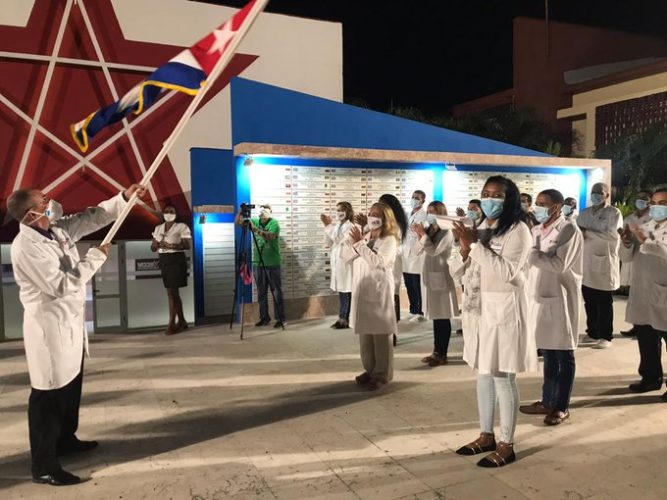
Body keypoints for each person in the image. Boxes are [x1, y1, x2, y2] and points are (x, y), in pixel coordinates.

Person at [7, 183, 146, 486]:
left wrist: (124, 198)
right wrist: (95, 257)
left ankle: (65, 440)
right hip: (49, 330)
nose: (50, 202)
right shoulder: (25, 247)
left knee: (70, 387)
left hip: (69, 325)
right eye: (43, 201)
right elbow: (60, 285)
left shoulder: (56, 230)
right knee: (48, 396)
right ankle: (44, 465)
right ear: (30, 215)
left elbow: (92, 217)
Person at [451, 175, 535, 468]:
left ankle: (506, 444)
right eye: (486, 193)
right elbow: (458, 270)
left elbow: (508, 272)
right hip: (479, 311)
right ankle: (485, 435)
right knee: (483, 373)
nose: (489, 200)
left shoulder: (519, 231)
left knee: (502, 376)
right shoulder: (481, 226)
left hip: (503, 312)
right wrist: (464, 249)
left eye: (497, 195)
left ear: (510, 199)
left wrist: (474, 246)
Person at [520, 189, 583, 425]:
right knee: (548, 351)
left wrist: (531, 254)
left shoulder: (569, 229)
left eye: (542, 203)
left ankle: (561, 406)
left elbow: (559, 264)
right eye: (536, 203)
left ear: (556, 206)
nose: (537, 207)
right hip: (540, 296)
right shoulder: (537, 229)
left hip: (561, 297)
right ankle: (547, 400)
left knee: (564, 352)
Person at [619, 188, 667, 400]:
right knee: (646, 338)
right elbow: (626, 258)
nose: (657, 207)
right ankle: (650, 378)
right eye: (655, 203)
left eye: (663, 203)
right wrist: (627, 242)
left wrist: (644, 240)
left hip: (663, 291)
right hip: (643, 291)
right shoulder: (646, 226)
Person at [347, 202, 400, 391]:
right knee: (365, 333)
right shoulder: (366, 235)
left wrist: (360, 244)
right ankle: (369, 369)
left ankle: (382, 374)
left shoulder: (389, 240)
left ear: (386, 218)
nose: (372, 217)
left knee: (380, 334)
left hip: (379, 292)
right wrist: (357, 242)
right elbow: (346, 256)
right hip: (363, 290)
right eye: (371, 213)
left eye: (377, 214)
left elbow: (378, 262)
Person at [577, 182, 623, 349]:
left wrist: (588, 232)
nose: (596, 195)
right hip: (585, 263)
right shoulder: (584, 213)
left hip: (604, 262)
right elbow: (577, 232)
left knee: (603, 303)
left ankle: (605, 335)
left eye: (600, 192)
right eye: (594, 191)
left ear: (607, 195)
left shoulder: (613, 213)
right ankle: (592, 332)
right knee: (589, 301)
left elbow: (612, 235)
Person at [412, 201, 458, 366]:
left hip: (441, 276)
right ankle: (436, 352)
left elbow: (433, 251)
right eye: (429, 211)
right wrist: (420, 235)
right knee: (436, 317)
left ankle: (441, 353)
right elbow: (416, 250)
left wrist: (422, 236)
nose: (429, 215)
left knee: (442, 317)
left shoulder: (447, 232)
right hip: (430, 276)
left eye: (433, 212)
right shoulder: (429, 229)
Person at [235, 204, 285, 328]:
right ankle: (264, 317)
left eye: (266, 210)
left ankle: (280, 318)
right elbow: (238, 222)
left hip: (272, 263)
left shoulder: (274, 223)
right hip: (258, 263)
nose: (263, 214)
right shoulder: (255, 221)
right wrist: (241, 211)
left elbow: (271, 236)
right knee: (261, 292)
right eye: (262, 211)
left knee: (276, 291)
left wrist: (256, 230)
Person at [151, 204, 191, 335]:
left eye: (171, 211)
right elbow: (153, 247)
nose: (169, 213)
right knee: (171, 293)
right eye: (166, 211)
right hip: (164, 260)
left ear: (176, 214)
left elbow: (187, 245)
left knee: (173, 292)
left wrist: (171, 245)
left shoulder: (181, 227)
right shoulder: (158, 228)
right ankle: (182, 321)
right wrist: (156, 244)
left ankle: (172, 323)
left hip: (176, 260)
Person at [321, 201, 359, 329]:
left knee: (346, 291)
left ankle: (344, 319)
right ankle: (342, 317)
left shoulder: (351, 227)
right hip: (338, 264)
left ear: (348, 211)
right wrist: (326, 227)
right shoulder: (336, 226)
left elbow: (339, 240)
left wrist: (328, 226)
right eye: (337, 210)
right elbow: (330, 242)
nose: (339, 213)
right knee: (342, 292)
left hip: (346, 264)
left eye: (342, 210)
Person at [618, 192, 652, 334]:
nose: (641, 201)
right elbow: (624, 248)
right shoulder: (629, 219)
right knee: (636, 298)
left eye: (645, 199)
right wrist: (626, 242)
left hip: (651, 264)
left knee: (651, 299)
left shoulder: (655, 219)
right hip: (635, 260)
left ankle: (650, 328)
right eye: (639, 199)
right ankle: (637, 327)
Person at [402, 190, 427, 321]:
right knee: (408, 284)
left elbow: (421, 235)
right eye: (413, 197)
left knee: (417, 284)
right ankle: (413, 309)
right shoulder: (407, 214)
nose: (414, 199)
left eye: (417, 198)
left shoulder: (424, 216)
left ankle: (420, 311)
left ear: (423, 201)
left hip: (417, 255)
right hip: (405, 254)